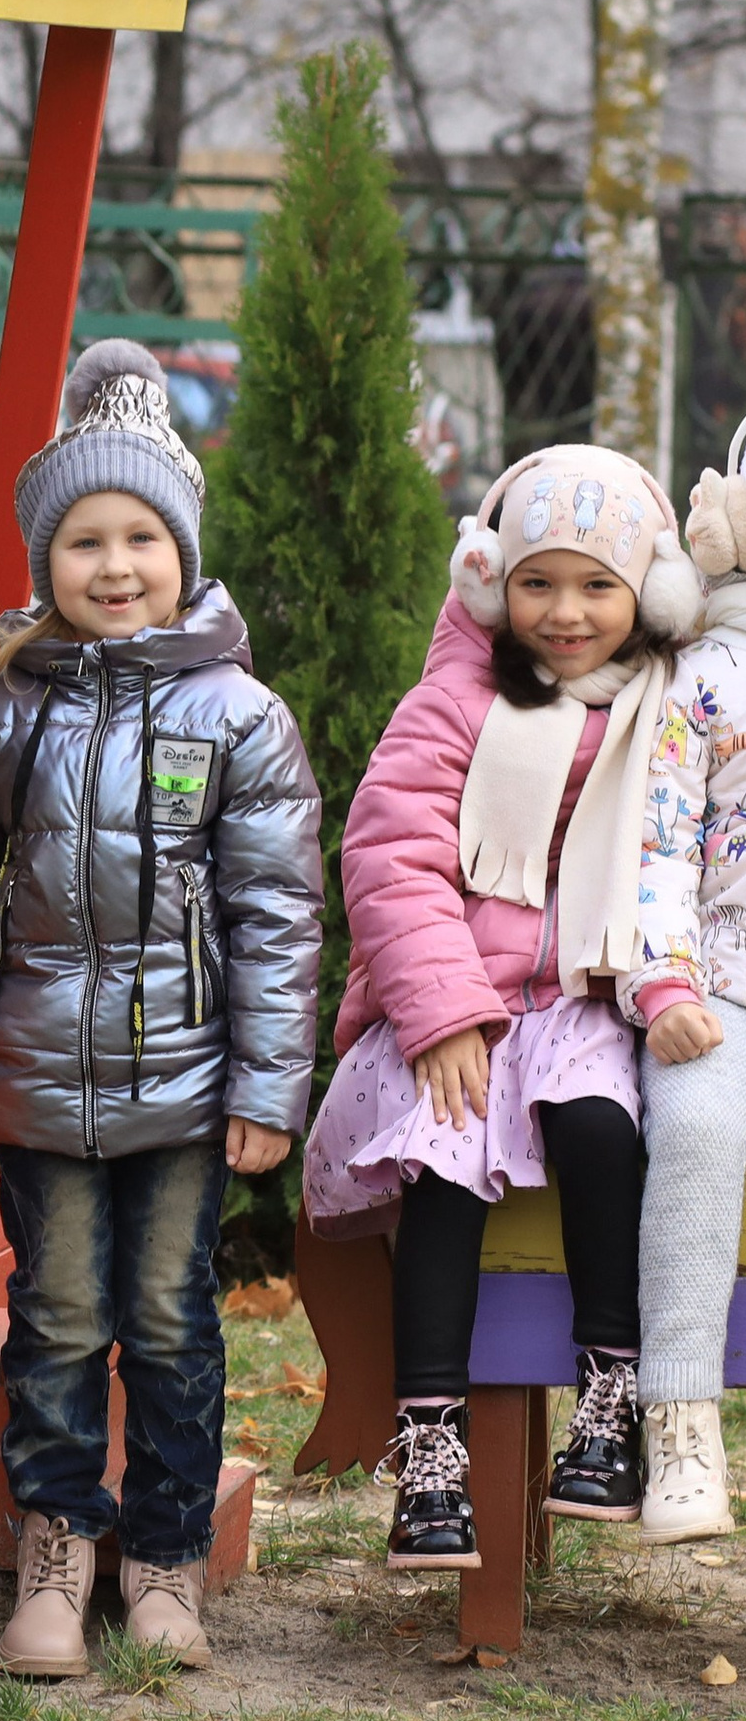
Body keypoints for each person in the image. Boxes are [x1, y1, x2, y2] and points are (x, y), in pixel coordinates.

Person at [0, 342, 321, 1676]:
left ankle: (162, 1564)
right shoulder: (4, 713)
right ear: (48, 561)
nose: (114, 565)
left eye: (141, 535)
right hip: (39, 1079)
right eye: (84, 540)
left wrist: (269, 1088)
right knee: (59, 1319)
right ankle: (53, 1550)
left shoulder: (241, 717)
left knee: (170, 1325)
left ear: (183, 550)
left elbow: (275, 917)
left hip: (190, 1089)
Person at [307, 443, 698, 1569]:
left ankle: (610, 1394)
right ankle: (428, 1451)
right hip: (462, 1005)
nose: (565, 614)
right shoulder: (455, 703)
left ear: (645, 594)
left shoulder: (655, 713)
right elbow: (392, 853)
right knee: (445, 1156)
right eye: (537, 583)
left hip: (581, 1000)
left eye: (595, 586)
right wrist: (441, 1013)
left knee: (598, 1128)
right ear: (489, 580)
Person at [605, 452, 746, 1543]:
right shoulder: (698, 680)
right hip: (717, 981)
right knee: (694, 1128)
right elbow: (656, 844)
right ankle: (681, 1419)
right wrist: (662, 980)